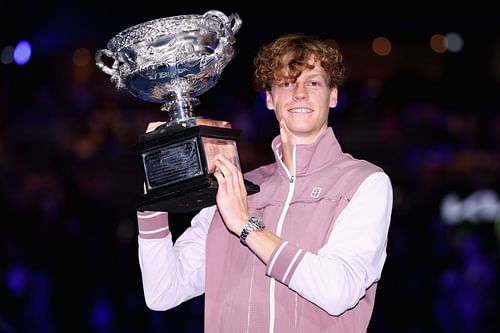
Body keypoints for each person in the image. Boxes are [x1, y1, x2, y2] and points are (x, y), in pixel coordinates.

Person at [136, 32, 393, 332]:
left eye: (313, 82)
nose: (299, 93)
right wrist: (153, 198)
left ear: (332, 95)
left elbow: (337, 291)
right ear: (270, 98)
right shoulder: (235, 188)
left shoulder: (365, 182)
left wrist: (246, 226)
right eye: (286, 82)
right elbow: (164, 291)